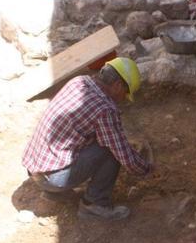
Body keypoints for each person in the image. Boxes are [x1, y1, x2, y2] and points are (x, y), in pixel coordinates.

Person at [22, 57, 153, 220]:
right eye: (125, 93)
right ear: (118, 85)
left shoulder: (79, 81)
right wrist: (148, 170)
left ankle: (56, 192)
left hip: (35, 167)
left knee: (99, 139)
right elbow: (124, 156)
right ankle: (95, 204)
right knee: (110, 150)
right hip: (53, 178)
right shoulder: (105, 109)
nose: (123, 98)